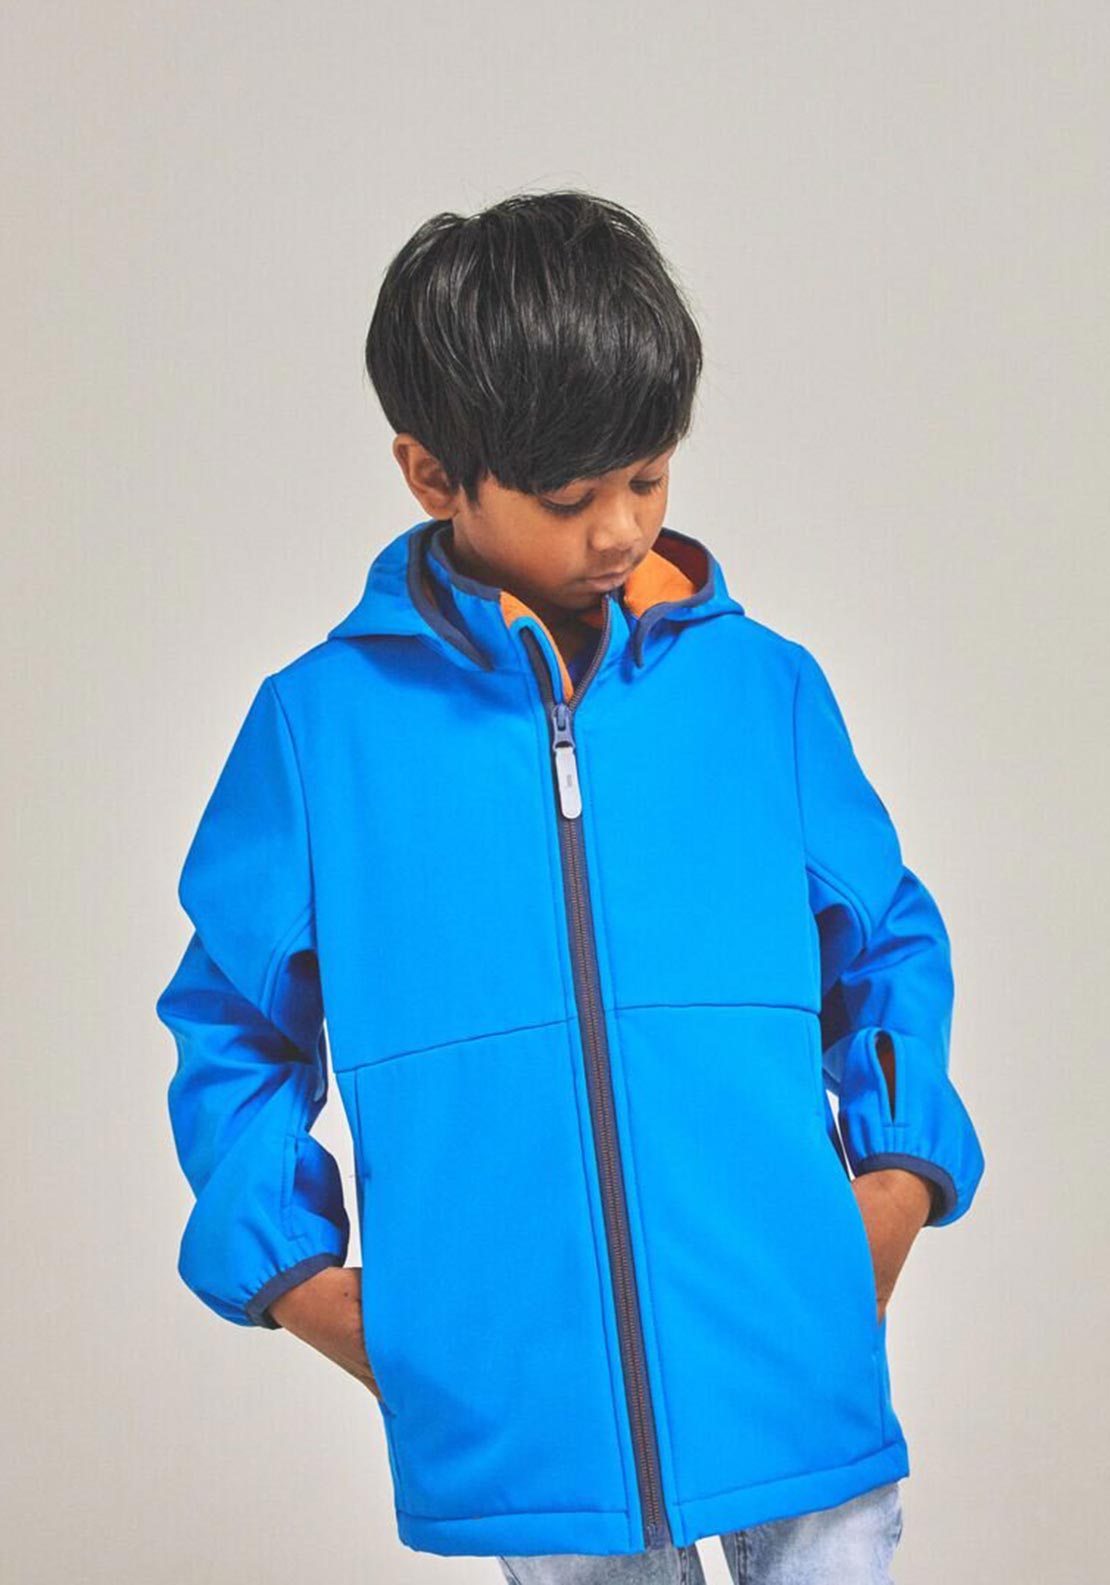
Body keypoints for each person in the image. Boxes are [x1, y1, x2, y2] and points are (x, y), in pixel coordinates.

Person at [155, 189, 985, 1583]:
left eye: (648, 479)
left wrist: (894, 1188)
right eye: (569, 498)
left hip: (788, 1343)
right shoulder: (321, 731)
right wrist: (298, 1279)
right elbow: (230, 1020)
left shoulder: (760, 689)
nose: (619, 530)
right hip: (524, 1404)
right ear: (432, 474)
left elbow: (887, 942)